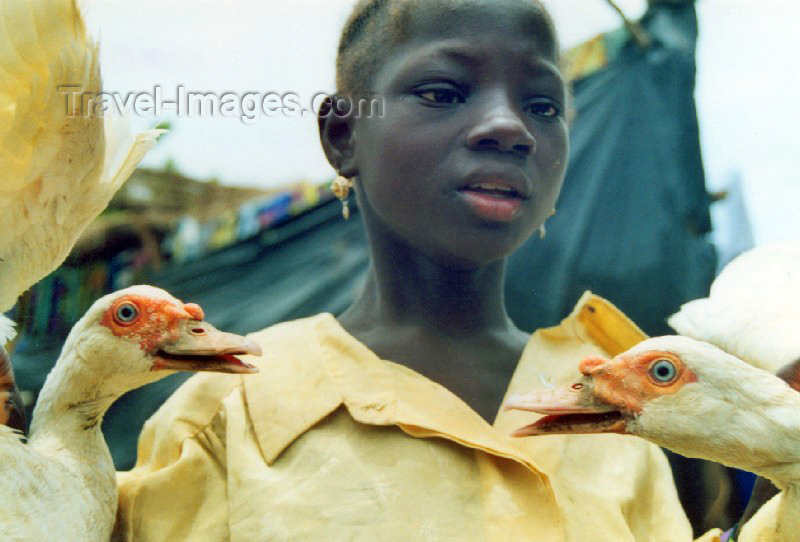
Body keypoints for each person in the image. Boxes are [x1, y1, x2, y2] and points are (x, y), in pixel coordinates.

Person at [113, 1, 758, 540]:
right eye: (442, 92)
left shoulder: (620, 407)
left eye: (543, 106)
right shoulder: (230, 410)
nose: (511, 127)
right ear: (343, 136)